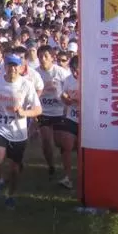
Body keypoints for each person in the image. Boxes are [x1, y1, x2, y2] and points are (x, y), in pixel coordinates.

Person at [0, 53, 42, 209]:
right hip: (0, 127)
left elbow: (38, 109)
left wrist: (24, 113)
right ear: (5, 66)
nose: (12, 68)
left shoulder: (26, 85)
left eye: (15, 65)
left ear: (21, 67)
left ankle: (11, 195)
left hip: (19, 132)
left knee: (15, 169)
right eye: (10, 65)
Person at [34, 46, 72, 187]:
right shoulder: (35, 73)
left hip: (59, 111)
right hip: (43, 111)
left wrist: (64, 98)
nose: (42, 59)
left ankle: (65, 169)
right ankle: (51, 166)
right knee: (45, 141)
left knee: (59, 142)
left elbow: (69, 90)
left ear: (52, 57)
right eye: (40, 56)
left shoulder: (61, 72)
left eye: (45, 56)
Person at [57, 55, 81, 191]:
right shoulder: (68, 80)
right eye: (73, 70)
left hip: (86, 120)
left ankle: (83, 174)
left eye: (77, 70)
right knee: (66, 145)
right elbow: (64, 95)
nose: (75, 73)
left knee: (80, 148)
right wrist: (65, 99)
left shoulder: (89, 80)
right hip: (71, 116)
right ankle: (67, 177)